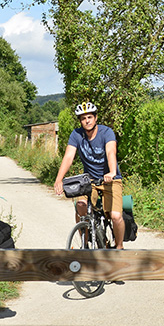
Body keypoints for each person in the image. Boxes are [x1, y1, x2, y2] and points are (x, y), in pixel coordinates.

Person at [53, 101, 125, 249]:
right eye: (83, 118)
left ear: (96, 118)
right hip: (89, 180)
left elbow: (111, 152)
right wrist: (59, 179)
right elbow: (68, 157)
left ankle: (119, 247)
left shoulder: (106, 132)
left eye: (90, 117)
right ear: (80, 121)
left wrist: (112, 172)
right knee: (80, 205)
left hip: (110, 180)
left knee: (116, 216)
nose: (87, 121)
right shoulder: (76, 135)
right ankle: (85, 244)